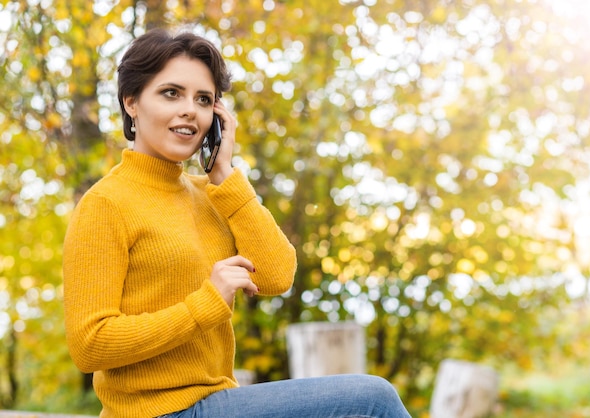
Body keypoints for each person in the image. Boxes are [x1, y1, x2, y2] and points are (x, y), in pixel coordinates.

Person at [63, 28, 411, 418]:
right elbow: (89, 345)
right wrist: (205, 304)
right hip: (156, 413)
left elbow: (278, 275)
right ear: (132, 102)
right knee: (372, 400)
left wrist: (224, 175)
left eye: (204, 100)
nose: (189, 110)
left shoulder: (211, 195)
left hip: (215, 403)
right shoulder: (106, 204)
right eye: (171, 93)